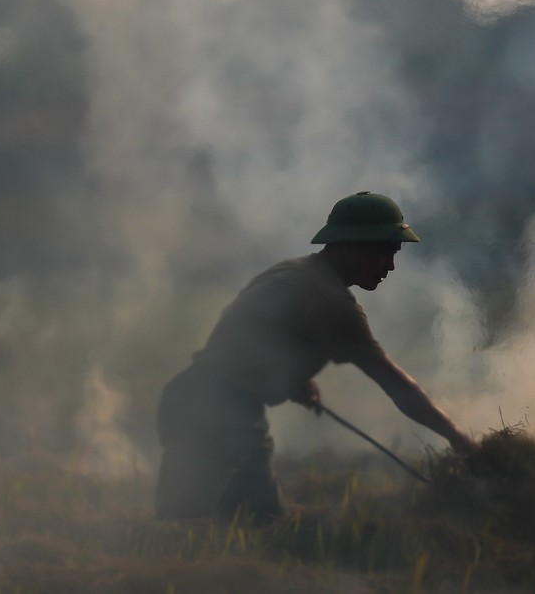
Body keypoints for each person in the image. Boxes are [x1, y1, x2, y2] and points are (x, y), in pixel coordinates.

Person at [155, 191, 477, 521]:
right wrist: (458, 437)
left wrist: (295, 378)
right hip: (215, 417)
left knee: (263, 521)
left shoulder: (294, 272)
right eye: (384, 252)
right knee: (182, 525)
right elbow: (396, 385)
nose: (390, 266)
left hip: (215, 407)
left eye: (394, 253)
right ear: (350, 245)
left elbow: (254, 334)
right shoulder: (334, 305)